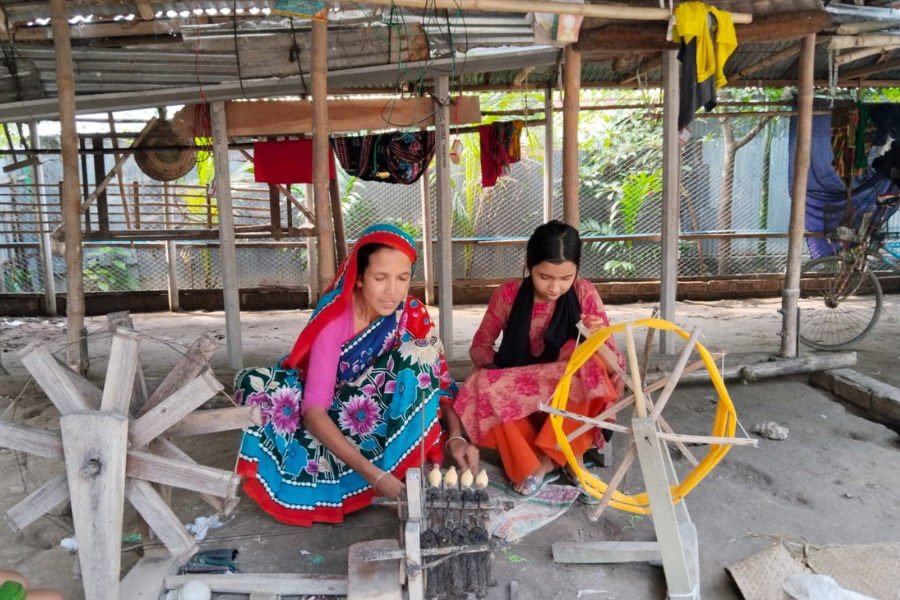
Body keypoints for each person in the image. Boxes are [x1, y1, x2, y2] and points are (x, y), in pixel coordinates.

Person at [235, 223, 478, 526]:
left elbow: (438, 384)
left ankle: (401, 469)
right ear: (360, 278)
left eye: (402, 278)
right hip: (335, 416)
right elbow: (314, 411)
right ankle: (381, 476)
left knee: (417, 357)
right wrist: (374, 476)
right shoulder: (335, 319)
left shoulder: (411, 313)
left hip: (377, 413)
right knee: (256, 387)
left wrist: (454, 436)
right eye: (380, 278)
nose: (392, 291)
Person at [453, 221, 623, 499]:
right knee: (479, 383)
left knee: (592, 367)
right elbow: (480, 347)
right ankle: (559, 458)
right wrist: (507, 376)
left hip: (565, 397)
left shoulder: (585, 293)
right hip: (520, 392)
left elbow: (615, 364)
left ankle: (544, 463)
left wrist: (598, 338)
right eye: (545, 277)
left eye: (566, 278)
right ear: (528, 264)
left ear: (576, 271)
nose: (555, 287)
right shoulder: (508, 294)